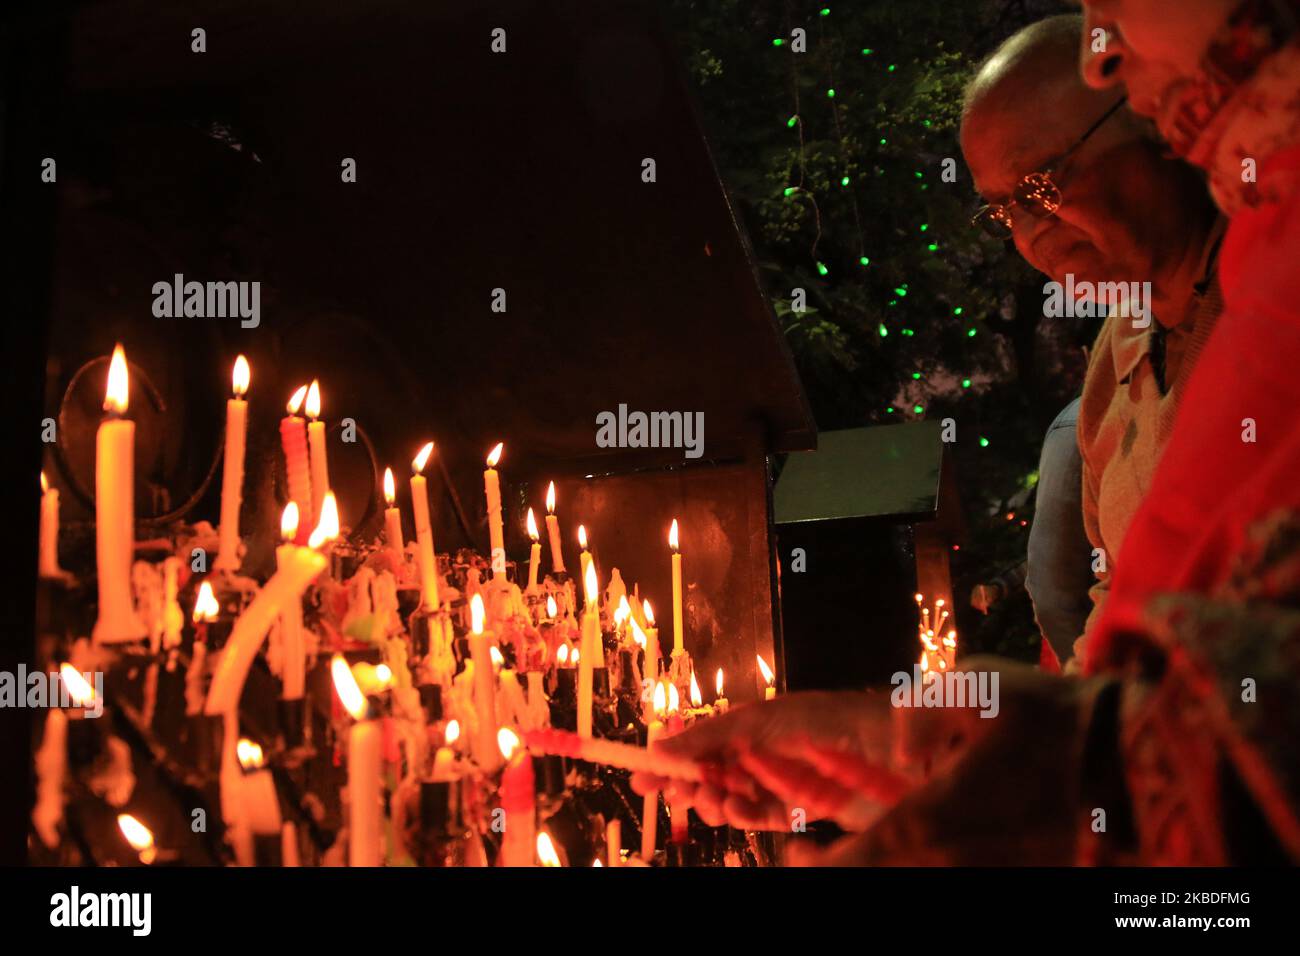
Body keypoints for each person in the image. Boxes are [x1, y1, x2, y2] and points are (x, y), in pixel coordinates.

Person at [630, 7, 1300, 865]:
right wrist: (936, 753)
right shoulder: (1132, 344)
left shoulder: (1258, 293)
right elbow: (1158, 681)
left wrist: (1060, 783)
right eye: (1003, 215)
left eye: (1046, 189)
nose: (1108, 57)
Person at [961, 13, 1224, 662]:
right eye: (1004, 211)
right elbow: (1118, 593)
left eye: (1043, 184)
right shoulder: (1118, 352)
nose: (1029, 234)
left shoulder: (1267, 303)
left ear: (1153, 117)